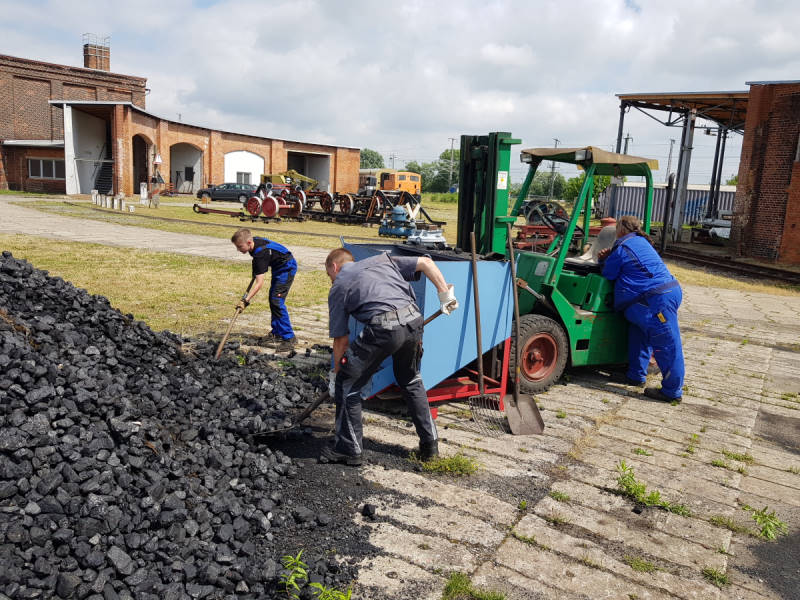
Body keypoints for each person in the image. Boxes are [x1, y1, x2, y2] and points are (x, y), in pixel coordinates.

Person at [323, 248, 459, 466]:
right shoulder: (382, 261)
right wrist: (445, 294)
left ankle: (349, 450)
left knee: (347, 386)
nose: (331, 279)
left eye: (329, 275)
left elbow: (341, 340)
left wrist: (336, 375)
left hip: (384, 328)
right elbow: (426, 263)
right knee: (411, 380)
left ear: (334, 267)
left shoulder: (339, 285)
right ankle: (430, 447)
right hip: (413, 320)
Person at [598, 215, 685, 402]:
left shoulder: (622, 247)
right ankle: (636, 375)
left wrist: (603, 259)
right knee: (639, 332)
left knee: (667, 344)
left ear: (621, 230)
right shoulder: (642, 242)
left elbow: (608, 273)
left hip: (655, 299)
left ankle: (672, 392)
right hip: (658, 294)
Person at [231, 228, 298, 351]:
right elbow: (259, 263)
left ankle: (289, 337)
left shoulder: (260, 254)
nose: (238, 250)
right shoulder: (254, 245)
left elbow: (259, 283)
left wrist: (246, 300)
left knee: (277, 301)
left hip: (287, 267)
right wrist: (256, 270)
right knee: (273, 300)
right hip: (278, 267)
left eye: (240, 247)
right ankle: (277, 333)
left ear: (249, 242)